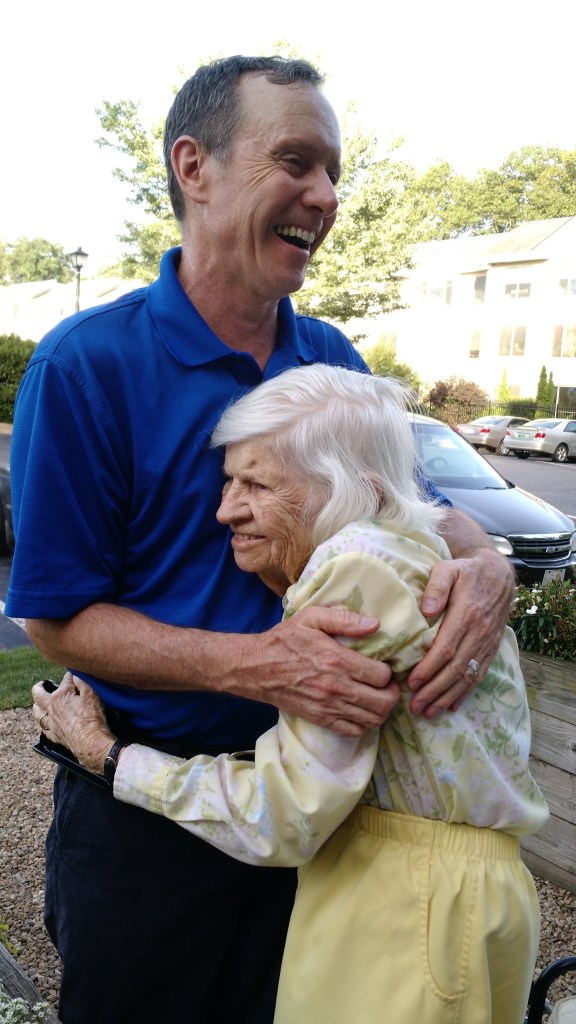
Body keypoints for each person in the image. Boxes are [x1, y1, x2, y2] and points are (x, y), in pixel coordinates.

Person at [9, 56, 515, 1024]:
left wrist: (486, 559)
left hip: (331, 806)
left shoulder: (332, 358)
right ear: (193, 167)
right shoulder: (86, 365)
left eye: (333, 172)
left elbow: (418, 510)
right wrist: (262, 665)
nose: (324, 196)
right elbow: (56, 621)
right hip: (147, 821)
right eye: (295, 161)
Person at [33, 364, 548, 1024]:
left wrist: (106, 755)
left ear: (352, 488)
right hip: (456, 904)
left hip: (407, 910)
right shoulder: (412, 550)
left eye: (257, 484)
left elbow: (282, 816)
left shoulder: (356, 565)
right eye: (228, 482)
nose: (225, 510)